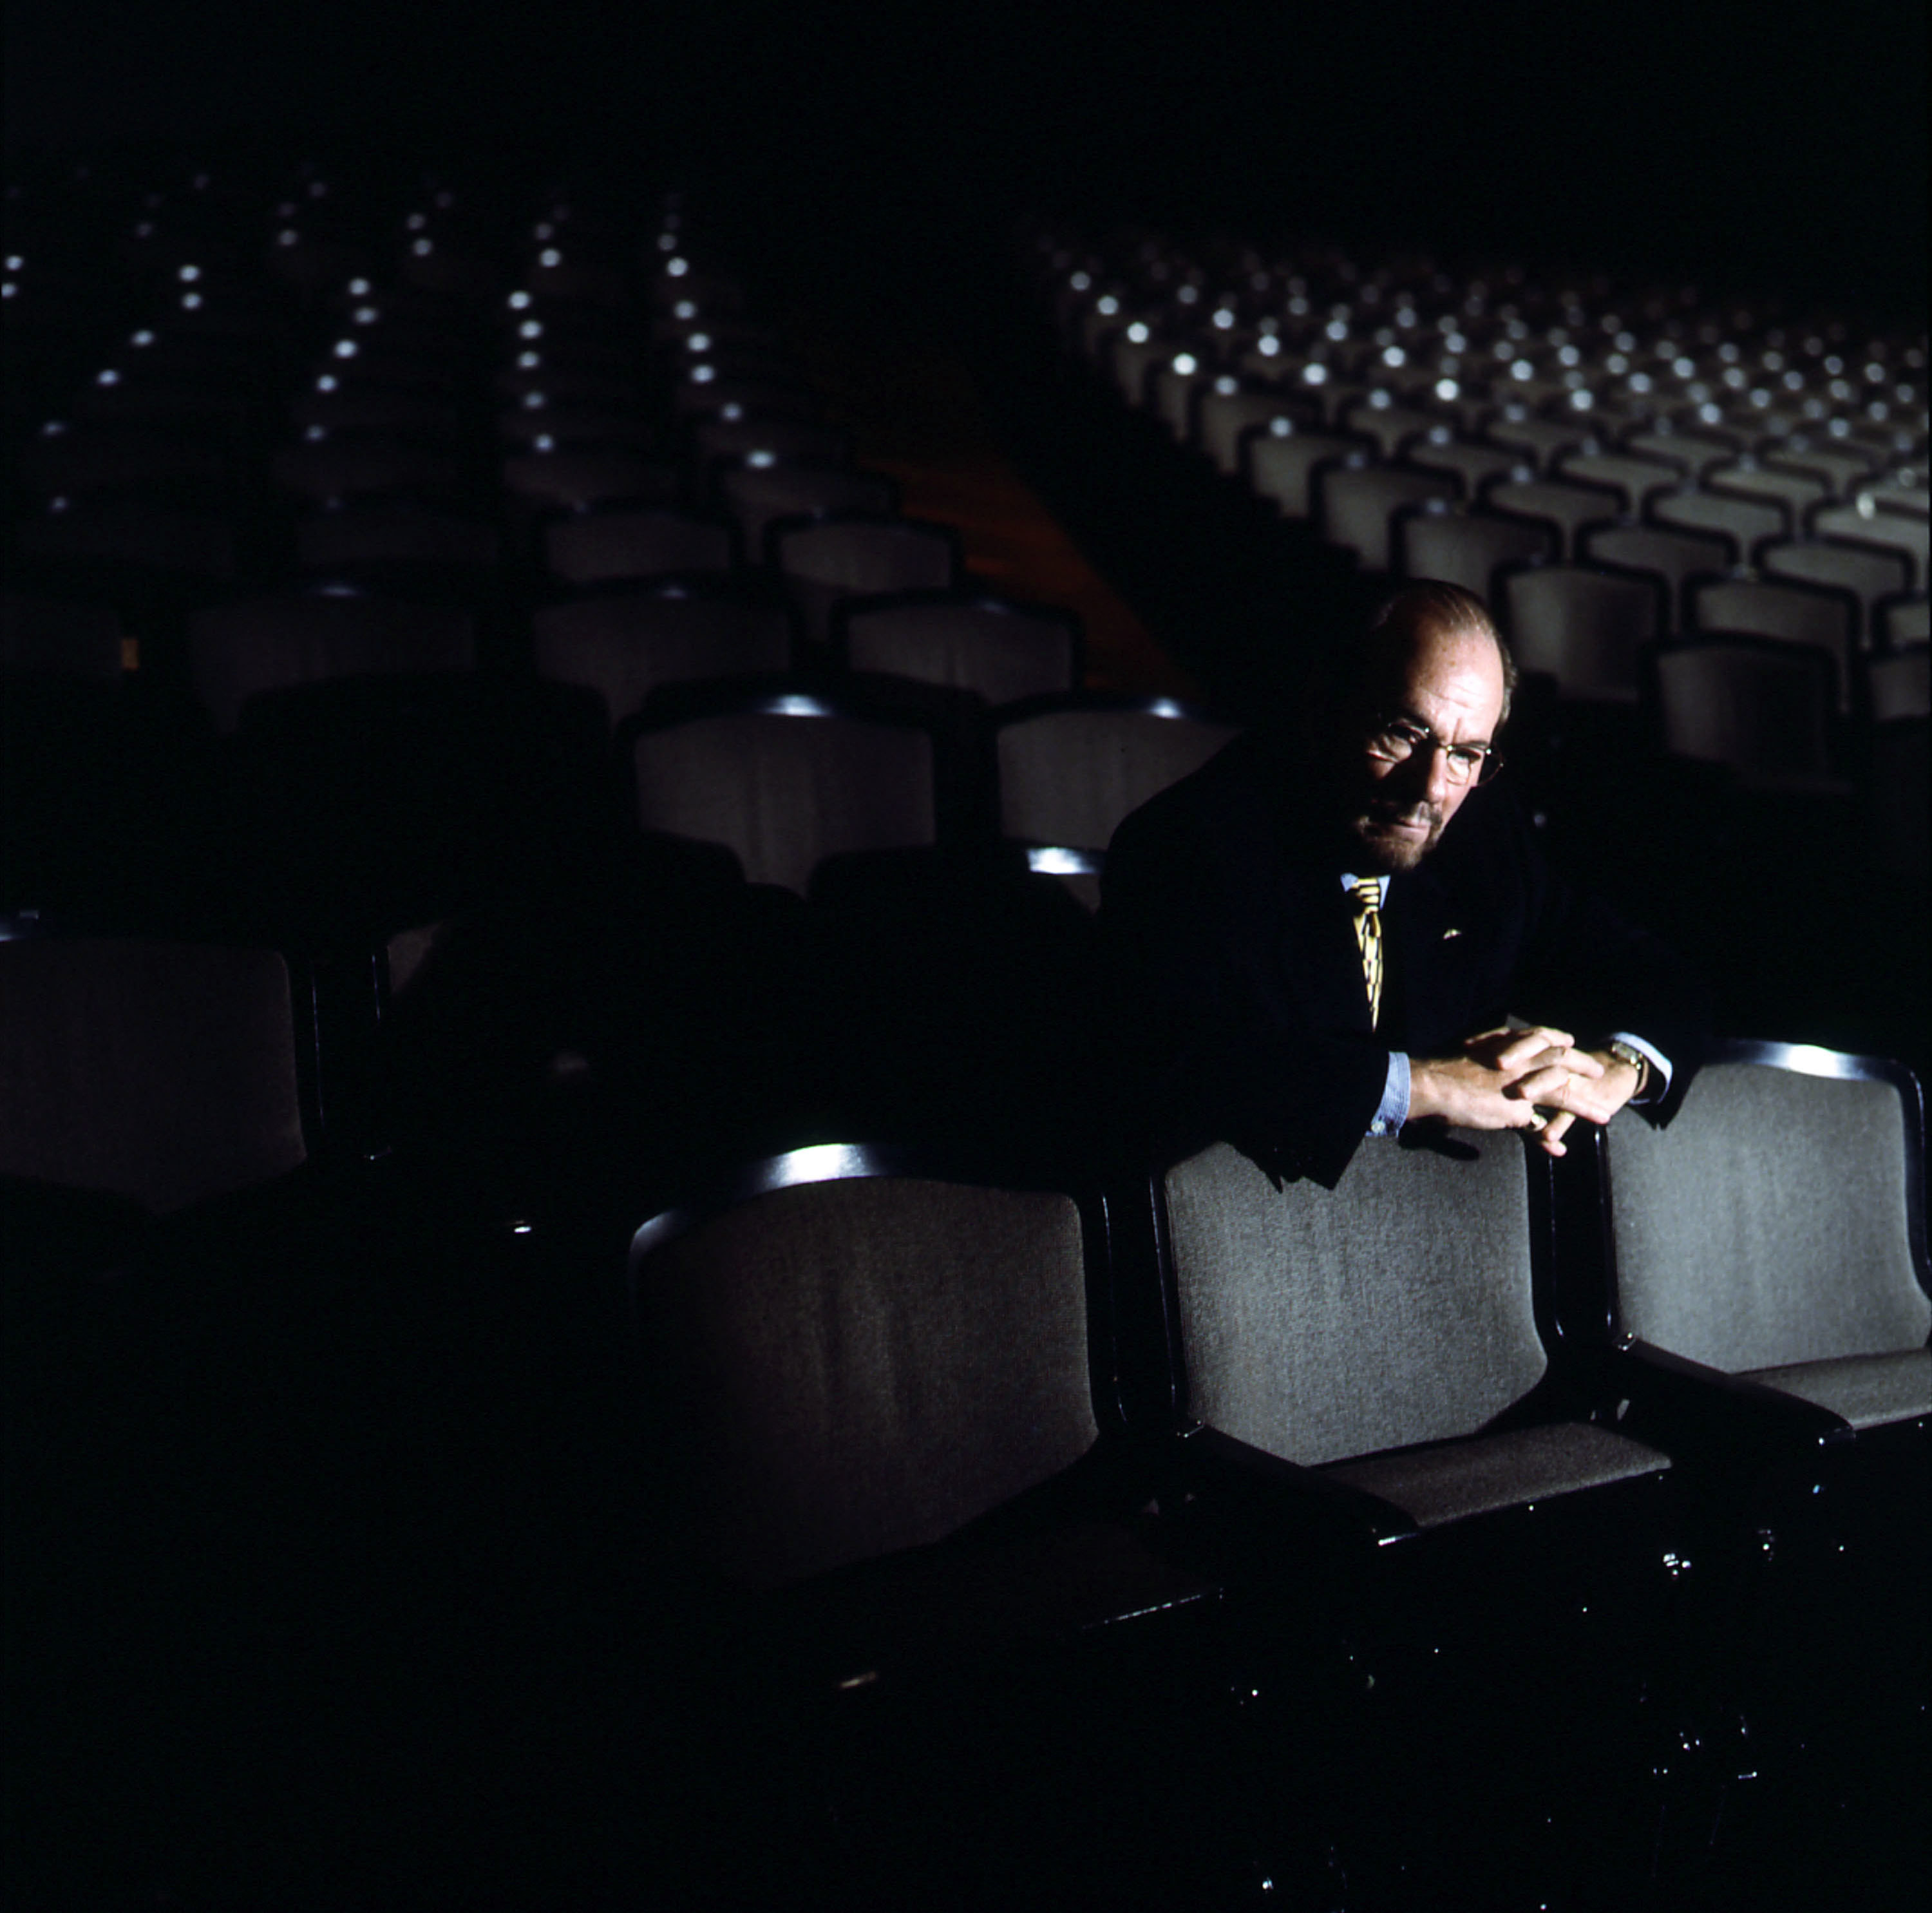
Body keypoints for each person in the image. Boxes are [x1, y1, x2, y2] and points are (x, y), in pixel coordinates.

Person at [1097, 582, 1707, 1188]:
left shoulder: (1484, 837)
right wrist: (1426, 1084)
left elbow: (1655, 973)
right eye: (1405, 734)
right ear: (1324, 709)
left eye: (1468, 754)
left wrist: (1619, 1066)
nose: (1432, 788)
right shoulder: (1188, 845)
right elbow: (1174, 1072)